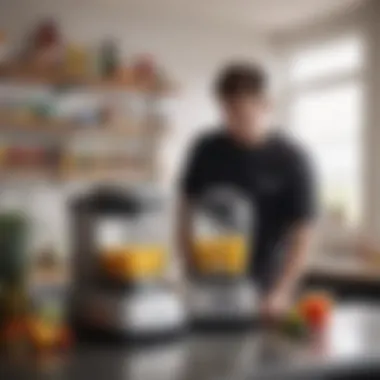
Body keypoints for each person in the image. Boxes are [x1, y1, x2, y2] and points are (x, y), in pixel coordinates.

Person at [177, 62, 316, 319]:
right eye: (227, 112)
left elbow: (302, 234)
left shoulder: (291, 159)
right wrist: (190, 268)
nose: (233, 122)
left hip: (267, 288)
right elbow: (186, 214)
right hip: (208, 283)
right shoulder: (205, 150)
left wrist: (282, 291)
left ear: (266, 105)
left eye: (242, 113)